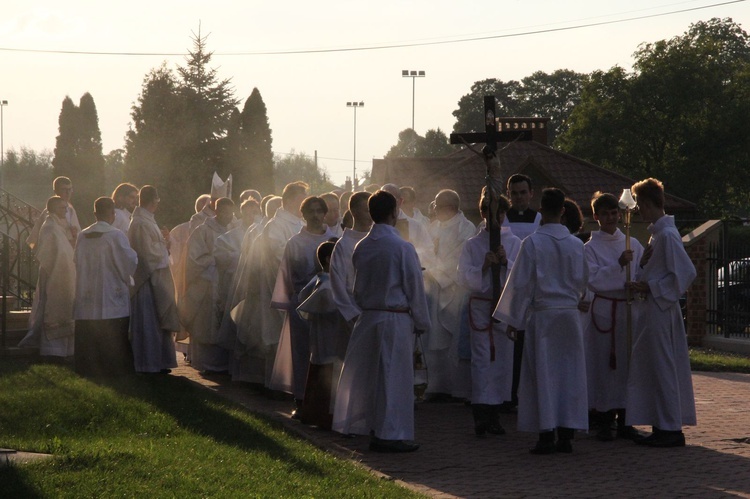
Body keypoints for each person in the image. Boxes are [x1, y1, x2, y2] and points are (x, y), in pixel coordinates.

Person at [332, 190, 430, 453]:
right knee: (393, 378)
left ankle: (376, 427)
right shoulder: (402, 247)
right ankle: (391, 434)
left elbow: (355, 286)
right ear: (394, 213)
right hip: (394, 319)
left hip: (368, 317)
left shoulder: (361, 246)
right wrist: (422, 321)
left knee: (373, 377)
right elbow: (414, 287)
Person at [493, 188, 589, 454]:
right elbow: (584, 281)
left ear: (541, 210)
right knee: (570, 374)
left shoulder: (533, 243)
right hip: (569, 316)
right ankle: (567, 433)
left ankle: (546, 433)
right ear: (562, 211)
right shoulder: (576, 244)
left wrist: (513, 318)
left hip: (543, 316)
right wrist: (576, 298)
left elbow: (521, 284)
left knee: (543, 373)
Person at [626, 178, 697, 448]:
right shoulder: (658, 234)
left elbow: (686, 273)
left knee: (663, 367)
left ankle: (670, 427)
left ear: (648, 203)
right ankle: (660, 422)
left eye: (640, 205)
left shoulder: (667, 235)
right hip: (652, 307)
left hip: (660, 309)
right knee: (654, 368)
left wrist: (651, 286)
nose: (639, 211)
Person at [583, 192, 645, 441]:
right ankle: (603, 419)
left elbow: (640, 272)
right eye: (605, 214)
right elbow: (593, 279)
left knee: (627, 367)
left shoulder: (632, 243)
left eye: (614, 213)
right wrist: (618, 265)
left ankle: (626, 420)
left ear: (620, 214)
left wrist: (641, 272)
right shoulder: (589, 248)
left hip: (627, 310)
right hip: (604, 312)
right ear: (596, 217)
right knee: (604, 366)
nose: (610, 218)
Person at [458, 191, 521, 436]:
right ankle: (481, 414)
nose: (498, 218)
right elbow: (462, 275)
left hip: (503, 306)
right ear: (483, 214)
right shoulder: (472, 244)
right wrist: (483, 266)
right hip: (481, 306)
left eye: (502, 213)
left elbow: (520, 276)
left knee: (502, 360)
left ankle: (496, 414)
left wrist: (506, 264)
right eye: (492, 213)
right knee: (483, 360)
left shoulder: (514, 243)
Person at [269, 196, 335, 415]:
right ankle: (301, 399)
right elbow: (286, 274)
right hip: (302, 305)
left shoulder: (336, 239)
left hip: (329, 307)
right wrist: (290, 299)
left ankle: (327, 402)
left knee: (328, 354)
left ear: (325, 213)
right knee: (301, 353)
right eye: (311, 211)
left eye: (319, 211)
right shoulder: (295, 242)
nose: (315, 215)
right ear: (303, 214)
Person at [73, 197, 138, 376]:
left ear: (94, 213)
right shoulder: (116, 235)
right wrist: (127, 278)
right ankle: (116, 370)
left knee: (89, 335)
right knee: (114, 335)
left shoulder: (82, 236)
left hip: (88, 294)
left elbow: (76, 262)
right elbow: (130, 261)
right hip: (112, 293)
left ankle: (88, 369)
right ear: (113, 213)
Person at [424, 189, 475, 401]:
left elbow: (459, 258)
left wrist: (439, 275)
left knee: (453, 341)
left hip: (454, 290)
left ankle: (457, 388)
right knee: (433, 339)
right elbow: (425, 254)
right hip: (433, 289)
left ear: (450, 207)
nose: (433, 209)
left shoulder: (466, 228)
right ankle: (436, 386)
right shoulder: (432, 227)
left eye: (437, 205)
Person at [256, 182, 308, 390]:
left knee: (294, 339)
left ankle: (292, 384)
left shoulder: (298, 222)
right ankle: (275, 385)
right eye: (302, 199)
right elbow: (280, 255)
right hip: (281, 288)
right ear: (290, 200)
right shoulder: (277, 225)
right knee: (278, 337)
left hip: (298, 287)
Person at [500, 173, 541, 412]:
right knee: (510, 350)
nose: (519, 197)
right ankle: (508, 395)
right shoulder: (501, 220)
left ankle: (528, 396)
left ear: (531, 193)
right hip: (508, 287)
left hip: (533, 291)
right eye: (514, 193)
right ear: (509, 195)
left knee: (529, 347)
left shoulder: (540, 220)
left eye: (523, 192)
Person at [128, 186, 180, 374]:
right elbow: (146, 253)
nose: (158, 203)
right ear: (154, 200)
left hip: (156, 277)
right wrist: (164, 246)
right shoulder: (140, 222)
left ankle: (161, 361)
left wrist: (163, 243)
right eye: (157, 200)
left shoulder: (147, 219)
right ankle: (148, 363)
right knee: (148, 322)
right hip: (147, 281)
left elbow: (154, 248)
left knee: (158, 321)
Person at [181, 197, 235, 374]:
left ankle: (225, 365)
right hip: (208, 283)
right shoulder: (202, 231)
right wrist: (216, 260)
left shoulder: (234, 230)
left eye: (230, 212)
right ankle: (206, 365)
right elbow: (194, 260)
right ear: (216, 210)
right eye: (224, 211)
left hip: (228, 282)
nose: (228, 216)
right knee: (207, 324)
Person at [18, 196, 76, 359]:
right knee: (51, 306)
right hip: (53, 274)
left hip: (64, 274)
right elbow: (49, 252)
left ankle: (64, 350)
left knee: (65, 306)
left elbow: (67, 249)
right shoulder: (49, 227)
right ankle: (51, 349)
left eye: (65, 208)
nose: (65, 210)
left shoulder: (59, 225)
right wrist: (59, 267)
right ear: (51, 210)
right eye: (61, 208)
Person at [296, 240, 346, 429]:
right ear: (328, 259)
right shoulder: (326, 284)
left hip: (321, 336)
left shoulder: (319, 280)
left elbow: (302, 298)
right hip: (329, 336)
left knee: (321, 369)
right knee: (327, 373)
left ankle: (314, 414)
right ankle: (325, 417)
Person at [330, 192, 372, 329]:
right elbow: (338, 285)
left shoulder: (380, 241)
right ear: (354, 211)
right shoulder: (343, 245)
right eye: (367, 210)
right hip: (353, 317)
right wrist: (353, 314)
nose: (370, 214)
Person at [27, 176, 81, 250]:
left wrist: (75, 234)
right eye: (64, 189)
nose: (68, 193)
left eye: (70, 189)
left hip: (70, 254)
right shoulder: (49, 213)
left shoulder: (71, 210)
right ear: (56, 191)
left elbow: (77, 234)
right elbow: (36, 240)